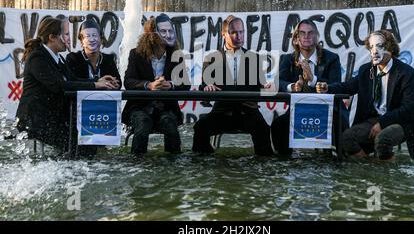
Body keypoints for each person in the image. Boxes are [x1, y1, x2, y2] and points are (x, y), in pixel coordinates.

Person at [316, 30, 414, 161]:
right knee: (347, 138)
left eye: (380, 46)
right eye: (371, 47)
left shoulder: (407, 73)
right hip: (374, 119)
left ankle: (390, 174)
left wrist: (382, 123)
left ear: (390, 48)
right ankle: (372, 168)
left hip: (401, 122)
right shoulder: (367, 70)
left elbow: (410, 108)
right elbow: (349, 86)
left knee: (383, 139)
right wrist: (328, 88)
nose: (374, 51)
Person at [16, 17, 119, 153]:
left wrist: (98, 82)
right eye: (66, 34)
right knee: (80, 146)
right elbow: (58, 86)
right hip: (36, 122)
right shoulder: (38, 58)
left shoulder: (58, 58)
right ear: (52, 37)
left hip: (53, 119)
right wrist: (95, 85)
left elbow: (72, 79)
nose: (69, 38)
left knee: (89, 142)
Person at [192, 15, 274, 156]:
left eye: (241, 32)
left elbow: (260, 85)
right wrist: (207, 87)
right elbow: (203, 86)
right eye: (234, 32)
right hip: (222, 113)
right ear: (224, 35)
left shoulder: (253, 58)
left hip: (248, 112)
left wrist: (265, 86)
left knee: (263, 129)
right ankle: (202, 165)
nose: (239, 36)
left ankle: (263, 170)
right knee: (200, 127)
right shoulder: (211, 59)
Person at [270, 19, 345, 155]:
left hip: (326, 111)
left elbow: (337, 85)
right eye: (302, 33)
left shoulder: (332, 58)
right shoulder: (287, 59)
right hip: (297, 111)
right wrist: (292, 86)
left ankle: (336, 161)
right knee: (278, 125)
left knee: (340, 124)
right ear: (296, 38)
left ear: (316, 36)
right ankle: (284, 163)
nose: (306, 36)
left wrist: (313, 80)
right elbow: (278, 83)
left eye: (310, 33)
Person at [122, 14, 190, 155]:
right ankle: (137, 163)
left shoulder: (176, 55)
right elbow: (128, 81)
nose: (167, 35)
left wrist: (170, 84)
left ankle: (173, 164)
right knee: (143, 124)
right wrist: (149, 85)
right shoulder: (136, 54)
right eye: (162, 31)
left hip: (165, 107)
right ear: (151, 35)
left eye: (169, 31)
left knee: (170, 126)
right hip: (139, 107)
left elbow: (185, 83)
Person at [66, 18, 122, 88]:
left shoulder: (108, 59)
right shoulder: (73, 58)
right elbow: (73, 82)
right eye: (87, 36)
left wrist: (114, 84)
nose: (91, 40)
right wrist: (97, 82)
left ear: (101, 40)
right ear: (81, 42)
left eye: (94, 35)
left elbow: (118, 82)